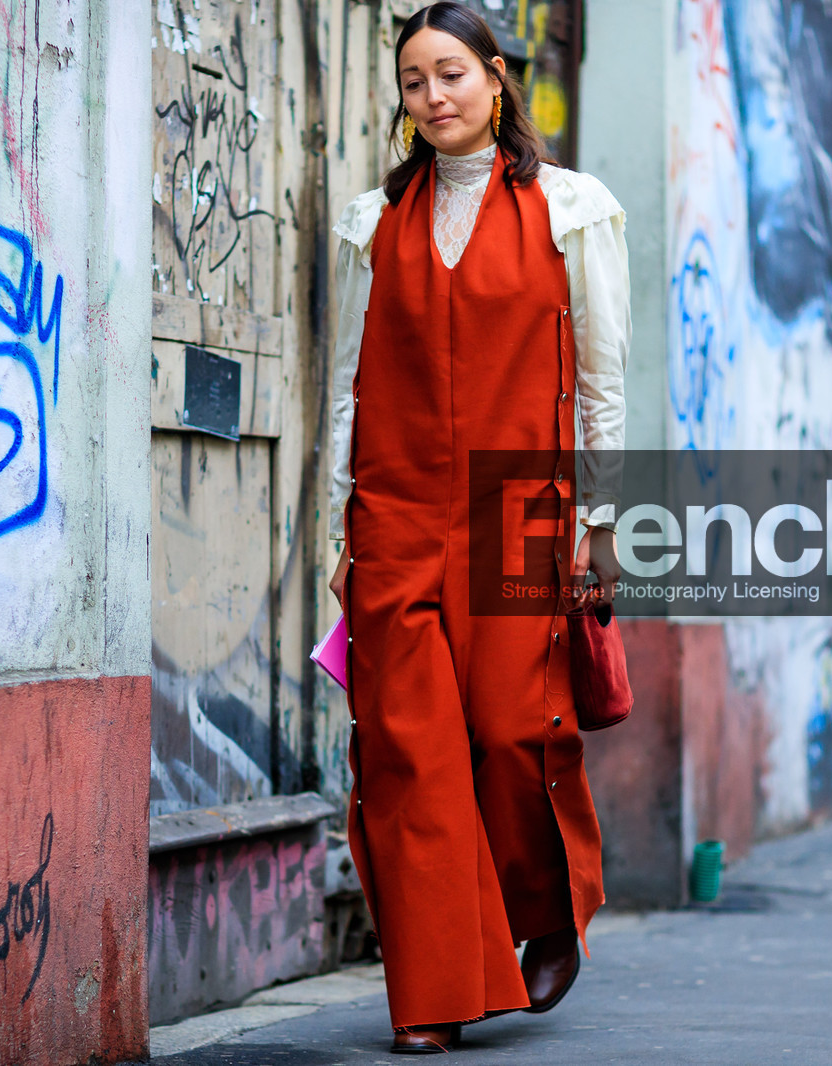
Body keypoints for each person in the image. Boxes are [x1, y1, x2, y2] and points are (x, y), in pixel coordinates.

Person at [325, 2, 630, 1053]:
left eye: (451, 73)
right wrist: (336, 533)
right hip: (396, 516)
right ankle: (432, 995)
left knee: (511, 731)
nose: (434, 97)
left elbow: (603, 382)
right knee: (407, 756)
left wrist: (598, 520)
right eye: (414, 81)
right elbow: (344, 391)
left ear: (498, 79)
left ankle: (544, 909)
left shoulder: (570, 209)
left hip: (521, 514)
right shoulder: (374, 220)